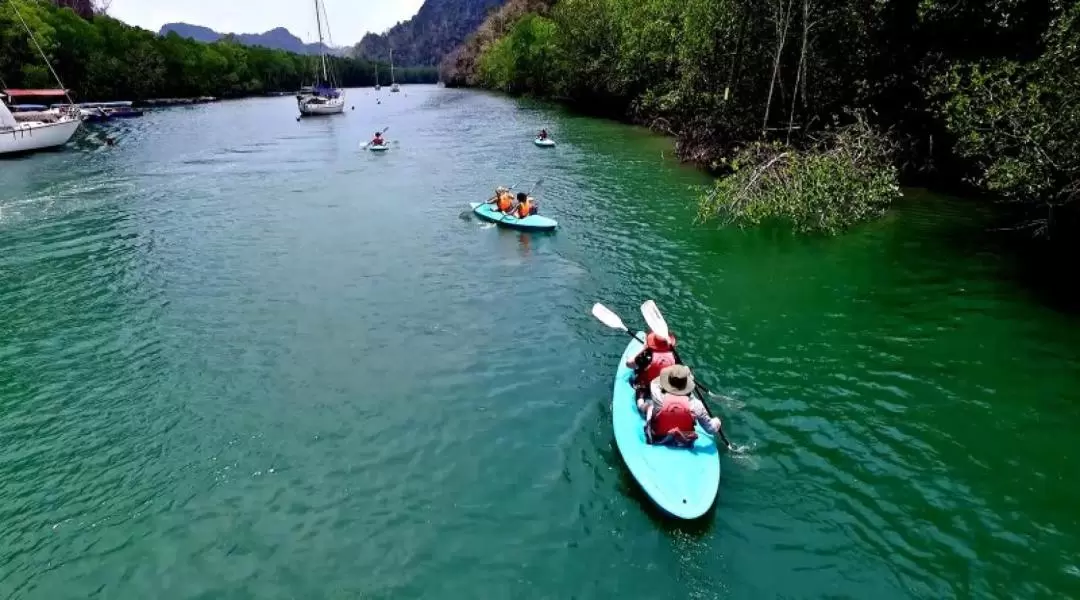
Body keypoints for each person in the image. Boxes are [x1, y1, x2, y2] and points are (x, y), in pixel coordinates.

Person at [643, 365, 729, 448]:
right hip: (683, 442)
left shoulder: (657, 395)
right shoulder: (697, 405)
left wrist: (672, 375)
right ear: (687, 385)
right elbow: (710, 429)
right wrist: (717, 421)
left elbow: (655, 382)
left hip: (658, 437)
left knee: (650, 407)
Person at [626, 331, 677, 402]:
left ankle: (643, 405)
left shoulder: (646, 355)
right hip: (664, 389)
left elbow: (629, 364)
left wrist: (643, 350)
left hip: (646, 387)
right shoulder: (674, 356)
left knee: (639, 395)